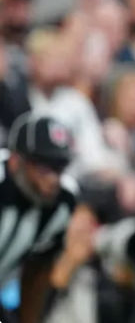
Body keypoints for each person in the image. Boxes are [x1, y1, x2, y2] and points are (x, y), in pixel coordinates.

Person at [0, 112, 83, 323]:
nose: (54, 179)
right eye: (45, 167)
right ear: (16, 161)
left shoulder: (61, 205)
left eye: (60, 167)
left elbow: (37, 271)